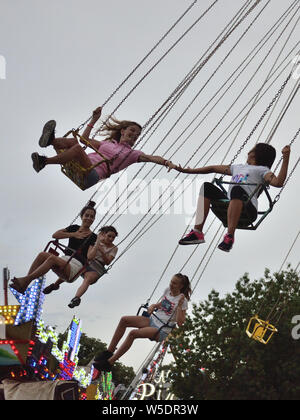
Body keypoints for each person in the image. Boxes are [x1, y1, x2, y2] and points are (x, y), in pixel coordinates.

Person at [176, 143, 291, 252]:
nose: (249, 151)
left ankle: (230, 236)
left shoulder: (263, 171)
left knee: (237, 189)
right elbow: (212, 168)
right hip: (230, 206)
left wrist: (286, 158)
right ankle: (197, 232)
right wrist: (188, 171)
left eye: (253, 149)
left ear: (256, 153)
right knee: (207, 187)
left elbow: (278, 182)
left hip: (248, 210)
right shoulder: (237, 167)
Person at [31, 106, 177, 189]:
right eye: (132, 131)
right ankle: (51, 140)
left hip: (90, 176)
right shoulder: (107, 144)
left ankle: (44, 161)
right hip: (80, 167)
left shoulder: (132, 154)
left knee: (76, 150)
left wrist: (166, 162)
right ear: (123, 131)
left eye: (137, 135)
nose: (134, 135)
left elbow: (152, 157)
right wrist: (93, 120)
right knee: (73, 142)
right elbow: (85, 140)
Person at [92, 273, 191, 377]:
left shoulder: (182, 301)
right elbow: (162, 305)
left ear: (181, 286)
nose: (171, 285)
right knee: (124, 320)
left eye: (174, 283)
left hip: (162, 329)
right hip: (152, 320)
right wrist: (153, 306)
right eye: (171, 281)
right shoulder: (167, 291)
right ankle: (108, 352)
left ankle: (109, 362)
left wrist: (179, 306)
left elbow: (180, 322)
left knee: (133, 333)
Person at [10, 202, 97, 294]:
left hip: (75, 267)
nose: (89, 218)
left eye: (91, 217)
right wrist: (74, 234)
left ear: (94, 219)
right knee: (42, 255)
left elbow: (90, 257)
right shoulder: (74, 227)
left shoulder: (93, 237)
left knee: (52, 258)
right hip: (64, 260)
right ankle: (24, 285)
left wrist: (98, 243)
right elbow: (55, 235)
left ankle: (25, 280)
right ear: (82, 216)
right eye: (86, 215)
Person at [44, 225, 118, 308]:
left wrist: (101, 251)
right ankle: (55, 285)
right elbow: (89, 255)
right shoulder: (95, 240)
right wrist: (97, 245)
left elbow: (108, 261)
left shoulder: (114, 248)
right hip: (87, 262)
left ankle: (76, 298)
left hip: (98, 267)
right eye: (109, 236)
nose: (111, 239)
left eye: (113, 237)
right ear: (104, 234)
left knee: (89, 278)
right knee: (71, 269)